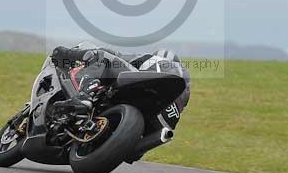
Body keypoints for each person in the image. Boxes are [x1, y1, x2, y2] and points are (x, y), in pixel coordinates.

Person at [49, 44, 191, 132]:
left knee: (103, 56)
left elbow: (116, 57)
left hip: (139, 108)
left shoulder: (152, 61)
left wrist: (94, 52)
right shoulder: (183, 85)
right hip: (153, 127)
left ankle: (84, 96)